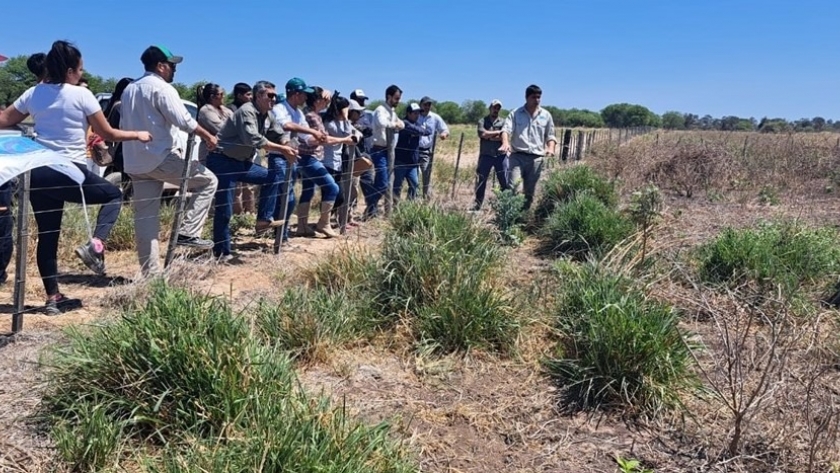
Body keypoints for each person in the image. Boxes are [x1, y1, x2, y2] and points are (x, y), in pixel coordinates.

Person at [0, 40, 152, 314]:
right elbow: (107, 134)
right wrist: (137, 134)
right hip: (67, 168)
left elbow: (4, 119)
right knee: (113, 195)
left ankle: (53, 298)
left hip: (37, 170)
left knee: (49, 236)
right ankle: (96, 244)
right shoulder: (82, 95)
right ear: (70, 70)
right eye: (80, 69)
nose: (82, 74)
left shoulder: (34, 93)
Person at [120, 45, 219, 276]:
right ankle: (188, 231)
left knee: (146, 218)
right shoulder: (162, 89)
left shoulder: (130, 89)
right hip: (159, 156)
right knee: (208, 182)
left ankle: (151, 277)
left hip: (135, 161)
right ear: (161, 66)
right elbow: (184, 120)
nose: (174, 70)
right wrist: (209, 136)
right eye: (172, 65)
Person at [208, 80, 298, 259]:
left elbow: (279, 133)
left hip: (242, 163)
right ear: (258, 96)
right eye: (270, 96)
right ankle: (221, 252)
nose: (273, 99)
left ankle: (263, 220)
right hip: (222, 161)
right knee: (225, 208)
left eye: (274, 96)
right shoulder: (247, 111)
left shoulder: (268, 115)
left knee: (273, 177)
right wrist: (282, 150)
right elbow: (252, 139)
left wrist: (287, 144)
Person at [265, 77, 328, 241]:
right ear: (295, 94)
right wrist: (313, 132)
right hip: (279, 156)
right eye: (304, 94)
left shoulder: (298, 113)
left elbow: (304, 137)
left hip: (292, 157)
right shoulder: (279, 109)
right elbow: (286, 126)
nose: (306, 98)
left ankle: (280, 234)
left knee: (287, 197)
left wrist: (317, 139)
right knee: (287, 196)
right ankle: (277, 233)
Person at [499, 84, 557, 210]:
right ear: (526, 97)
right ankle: (511, 218)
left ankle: (523, 219)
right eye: (533, 97)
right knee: (514, 188)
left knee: (530, 193)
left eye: (539, 97)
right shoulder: (515, 113)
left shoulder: (546, 115)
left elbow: (551, 135)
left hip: (536, 159)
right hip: (517, 157)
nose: (537, 100)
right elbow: (506, 130)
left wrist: (551, 148)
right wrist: (505, 142)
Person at [295, 87, 342, 238]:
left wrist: (328, 94)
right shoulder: (312, 117)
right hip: (310, 158)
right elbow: (321, 139)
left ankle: (302, 226)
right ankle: (324, 223)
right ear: (318, 100)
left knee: (308, 191)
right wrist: (344, 140)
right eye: (324, 99)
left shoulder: (312, 114)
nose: (327, 102)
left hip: (307, 157)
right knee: (332, 187)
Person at [362, 84, 404, 219]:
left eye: (399, 98)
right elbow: (383, 123)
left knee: (383, 182)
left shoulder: (392, 112)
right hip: (378, 150)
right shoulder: (380, 110)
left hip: (388, 151)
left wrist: (397, 124)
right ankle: (370, 206)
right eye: (396, 98)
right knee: (383, 183)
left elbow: (402, 123)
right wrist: (395, 125)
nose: (398, 101)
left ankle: (370, 209)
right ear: (389, 97)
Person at [322, 94, 363, 228]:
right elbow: (345, 135)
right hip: (327, 162)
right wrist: (346, 119)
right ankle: (324, 223)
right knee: (334, 195)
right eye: (346, 108)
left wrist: (354, 135)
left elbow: (356, 133)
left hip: (337, 163)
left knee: (338, 196)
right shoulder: (330, 123)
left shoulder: (340, 122)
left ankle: (325, 222)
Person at [472, 99, 510, 210]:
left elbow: (505, 136)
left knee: (504, 180)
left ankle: (506, 205)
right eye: (494, 107)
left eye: (498, 108)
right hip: (486, 156)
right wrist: (498, 133)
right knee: (481, 180)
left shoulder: (503, 122)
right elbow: (482, 134)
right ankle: (478, 205)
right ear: (490, 108)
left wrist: (491, 136)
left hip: (500, 156)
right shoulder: (482, 121)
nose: (496, 110)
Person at [225, 82, 255, 213]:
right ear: (239, 95)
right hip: (235, 153)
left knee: (249, 186)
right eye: (248, 94)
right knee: (237, 187)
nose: (251, 97)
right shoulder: (231, 109)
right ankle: (238, 216)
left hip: (250, 152)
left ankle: (251, 213)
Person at [393, 103, 432, 203]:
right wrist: (420, 131)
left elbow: (429, 130)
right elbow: (415, 129)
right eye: (415, 113)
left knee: (414, 184)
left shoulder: (417, 124)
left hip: (413, 162)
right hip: (400, 161)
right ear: (408, 113)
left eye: (418, 113)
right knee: (398, 185)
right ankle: (395, 205)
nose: (417, 115)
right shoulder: (403, 123)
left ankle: (409, 204)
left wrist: (420, 131)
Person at [417, 96, 450, 199]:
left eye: (429, 105)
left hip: (426, 151)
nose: (427, 107)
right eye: (425, 104)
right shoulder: (415, 115)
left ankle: (426, 199)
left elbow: (445, 129)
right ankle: (414, 199)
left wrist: (444, 134)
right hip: (413, 150)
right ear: (420, 105)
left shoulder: (435, 118)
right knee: (414, 176)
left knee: (426, 175)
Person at [195, 83, 232, 165]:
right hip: (210, 155)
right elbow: (222, 129)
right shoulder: (206, 111)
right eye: (221, 94)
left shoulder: (225, 110)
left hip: (225, 154)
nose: (224, 96)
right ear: (212, 97)